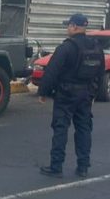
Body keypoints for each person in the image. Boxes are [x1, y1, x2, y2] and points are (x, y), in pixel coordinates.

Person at [38, 13, 105, 178]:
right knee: (84, 128)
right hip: (86, 94)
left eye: (68, 25)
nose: (67, 28)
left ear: (74, 26)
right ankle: (83, 166)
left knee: (60, 128)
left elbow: (52, 70)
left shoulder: (66, 47)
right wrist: (94, 94)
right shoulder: (96, 46)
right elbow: (100, 73)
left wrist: (43, 92)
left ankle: (56, 166)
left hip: (66, 94)